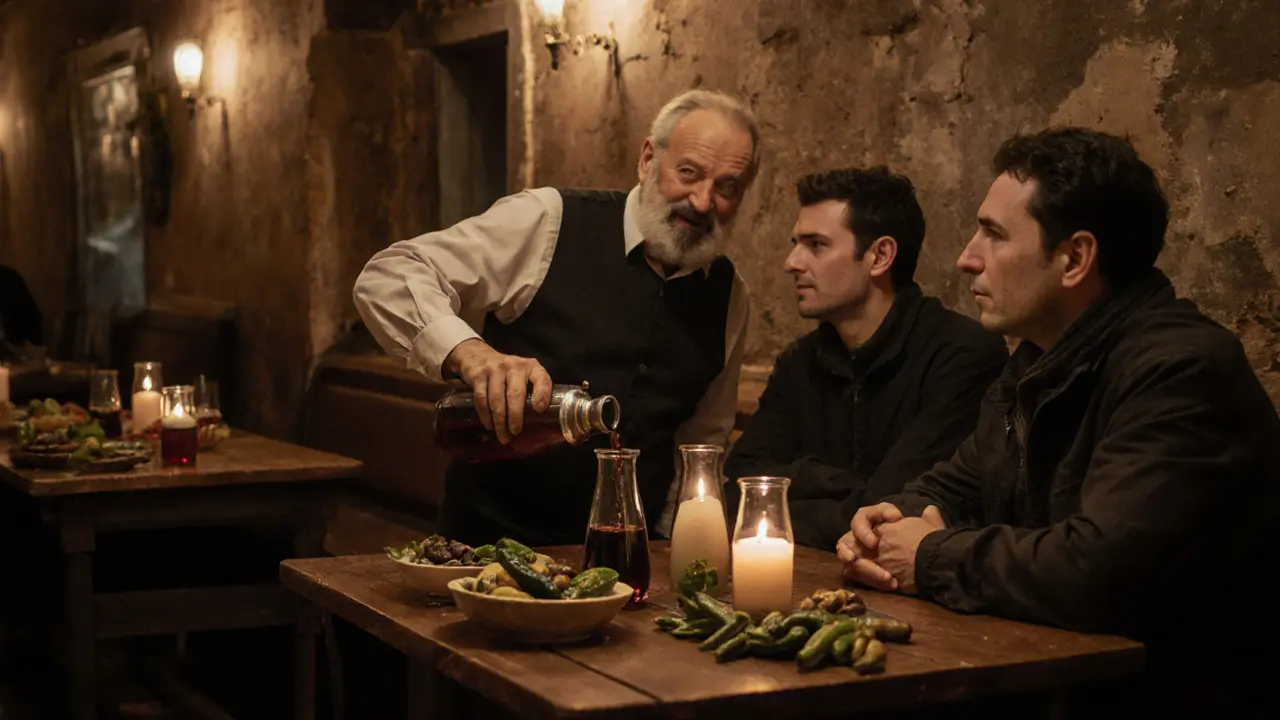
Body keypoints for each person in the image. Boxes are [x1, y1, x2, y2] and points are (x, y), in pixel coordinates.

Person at [839, 127, 1280, 713]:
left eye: (993, 235)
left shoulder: (1179, 371)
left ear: (1074, 258)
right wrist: (884, 522)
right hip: (1057, 682)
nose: (966, 258)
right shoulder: (1036, 362)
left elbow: (1101, 572)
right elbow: (954, 484)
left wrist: (929, 555)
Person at [353, 89, 758, 546]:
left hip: (623, 564)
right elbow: (389, 275)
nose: (702, 202)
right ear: (648, 160)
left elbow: (701, 445)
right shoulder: (549, 220)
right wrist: (472, 354)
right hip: (486, 553)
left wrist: (676, 551)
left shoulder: (729, 296)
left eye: (727, 188)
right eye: (688, 173)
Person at [723, 167, 1006, 550]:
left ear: (880, 256)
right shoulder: (801, 361)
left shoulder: (960, 355)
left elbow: (888, 515)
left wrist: (796, 492)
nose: (791, 262)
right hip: (806, 578)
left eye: (816, 245)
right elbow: (740, 491)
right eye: (796, 243)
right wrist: (827, 480)